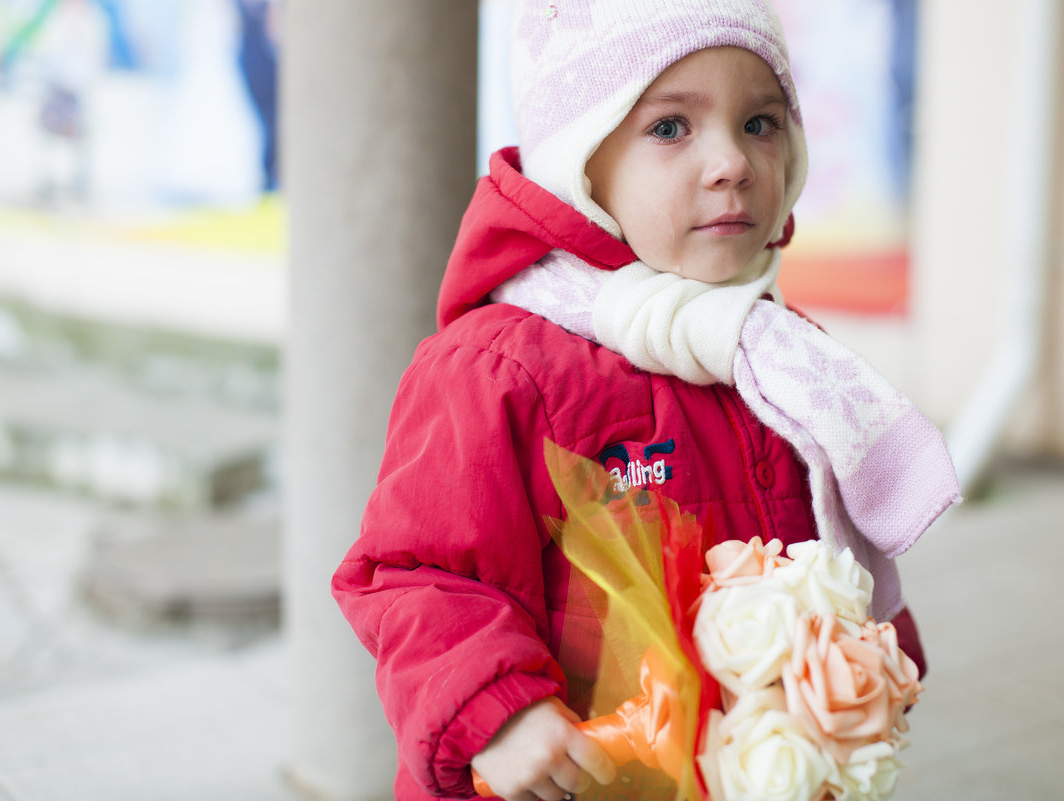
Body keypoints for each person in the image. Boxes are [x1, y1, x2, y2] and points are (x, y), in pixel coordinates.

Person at [331, 2, 959, 800]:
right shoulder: (496, 368)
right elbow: (416, 572)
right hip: (575, 776)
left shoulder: (782, 354)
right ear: (582, 161)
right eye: (670, 128)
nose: (732, 161)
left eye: (761, 122)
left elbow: (834, 549)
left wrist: (877, 660)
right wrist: (494, 711)